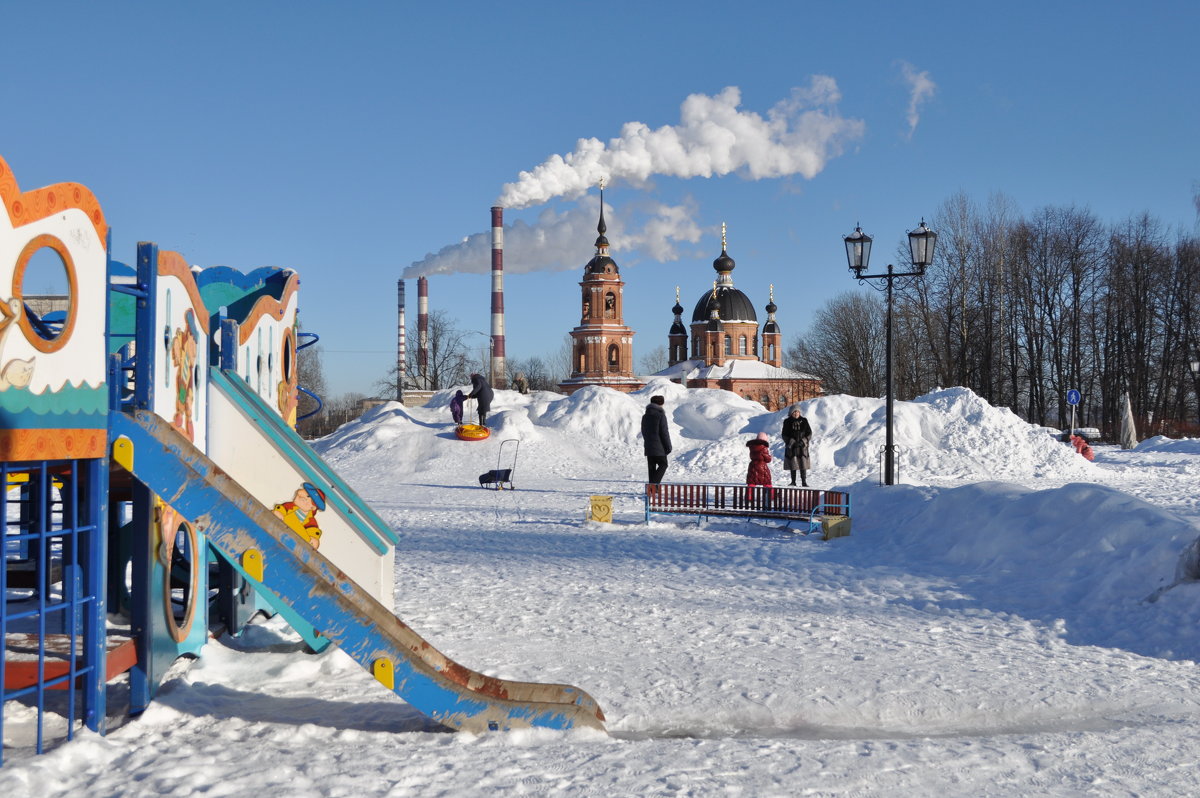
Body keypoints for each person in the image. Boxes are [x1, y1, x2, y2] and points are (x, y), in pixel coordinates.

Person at [273, 482, 326, 549]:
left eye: (304, 499)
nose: (299, 496)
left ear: (312, 507)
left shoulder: (310, 520)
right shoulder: (290, 506)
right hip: (278, 529)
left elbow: (313, 530)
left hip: (293, 541)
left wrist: (313, 538)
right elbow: (281, 508)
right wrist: (279, 512)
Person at [640, 394, 672, 489]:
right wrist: (668, 446)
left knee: (652, 468)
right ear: (661, 404)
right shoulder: (660, 416)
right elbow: (664, 432)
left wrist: (648, 441)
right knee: (663, 464)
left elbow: (643, 431)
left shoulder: (645, 416)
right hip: (659, 447)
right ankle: (653, 486)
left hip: (649, 445)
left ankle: (652, 490)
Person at [782, 405, 812, 487]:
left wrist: (803, 441)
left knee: (803, 464)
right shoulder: (787, 421)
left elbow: (809, 433)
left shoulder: (804, 421)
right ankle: (793, 481)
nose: (796, 413)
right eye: (794, 412)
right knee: (793, 464)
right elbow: (784, 434)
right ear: (791, 413)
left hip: (802, 446)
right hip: (792, 446)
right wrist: (791, 442)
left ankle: (804, 481)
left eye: (797, 411)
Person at [746, 431, 773, 501]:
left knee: (751, 482)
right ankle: (771, 496)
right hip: (762, 466)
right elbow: (768, 459)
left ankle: (749, 497)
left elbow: (752, 456)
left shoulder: (752, 447)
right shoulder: (763, 448)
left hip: (752, 466)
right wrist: (769, 457)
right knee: (767, 482)